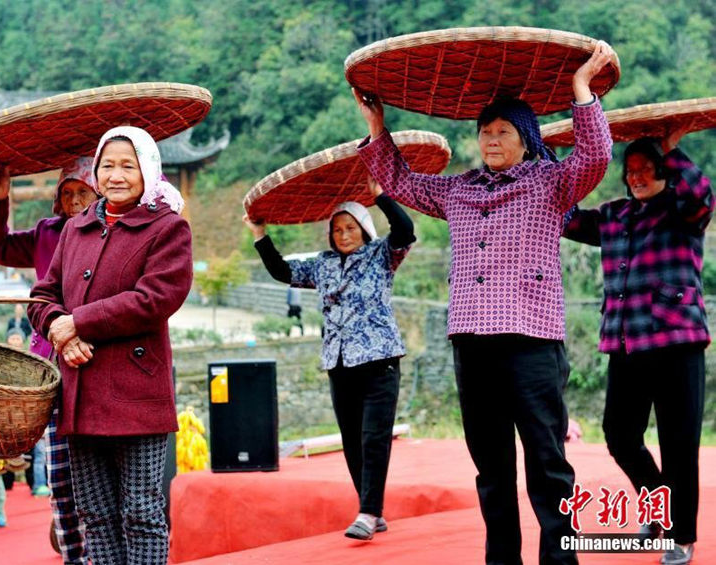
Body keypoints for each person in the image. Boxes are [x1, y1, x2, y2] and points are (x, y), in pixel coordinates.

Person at [353, 41, 616, 564]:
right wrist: (377, 126)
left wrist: (580, 91)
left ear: (526, 140)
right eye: (486, 132)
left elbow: (597, 156)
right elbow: (401, 181)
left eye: (504, 133)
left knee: (547, 463)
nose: (492, 141)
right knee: (492, 468)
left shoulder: (552, 183)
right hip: (473, 344)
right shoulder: (460, 190)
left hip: (532, 344)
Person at [28, 126, 192, 564]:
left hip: (137, 396)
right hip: (81, 393)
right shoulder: (75, 229)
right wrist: (60, 333)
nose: (116, 175)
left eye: (127, 165)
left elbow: (155, 298)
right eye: (107, 166)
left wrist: (77, 323)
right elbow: (42, 298)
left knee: (142, 514)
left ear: (148, 171)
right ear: (96, 172)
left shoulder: (167, 228)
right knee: (95, 516)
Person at [563, 132, 712, 565]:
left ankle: (681, 535)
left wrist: (669, 147)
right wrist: (549, 160)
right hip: (626, 344)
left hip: (676, 342)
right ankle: (660, 504)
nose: (637, 176)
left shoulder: (684, 212)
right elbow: (567, 218)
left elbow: (702, 194)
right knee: (620, 435)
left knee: (678, 443)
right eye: (631, 170)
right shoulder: (612, 215)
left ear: (663, 171)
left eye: (647, 168)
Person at [244, 179, 415, 540]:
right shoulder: (322, 266)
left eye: (350, 227)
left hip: (379, 359)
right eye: (337, 229)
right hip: (339, 363)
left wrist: (381, 197)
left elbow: (405, 229)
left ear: (364, 229)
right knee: (352, 439)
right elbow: (282, 271)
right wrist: (260, 235)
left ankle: (368, 512)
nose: (343, 234)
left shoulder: (382, 255)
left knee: (373, 438)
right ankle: (372, 509)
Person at [0, 156, 96, 565]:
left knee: (98, 470)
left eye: (84, 192)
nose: (77, 201)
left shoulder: (113, 234)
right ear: (58, 202)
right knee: (60, 472)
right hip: (51, 361)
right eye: (69, 193)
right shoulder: (47, 234)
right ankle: (72, 554)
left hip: (97, 359)